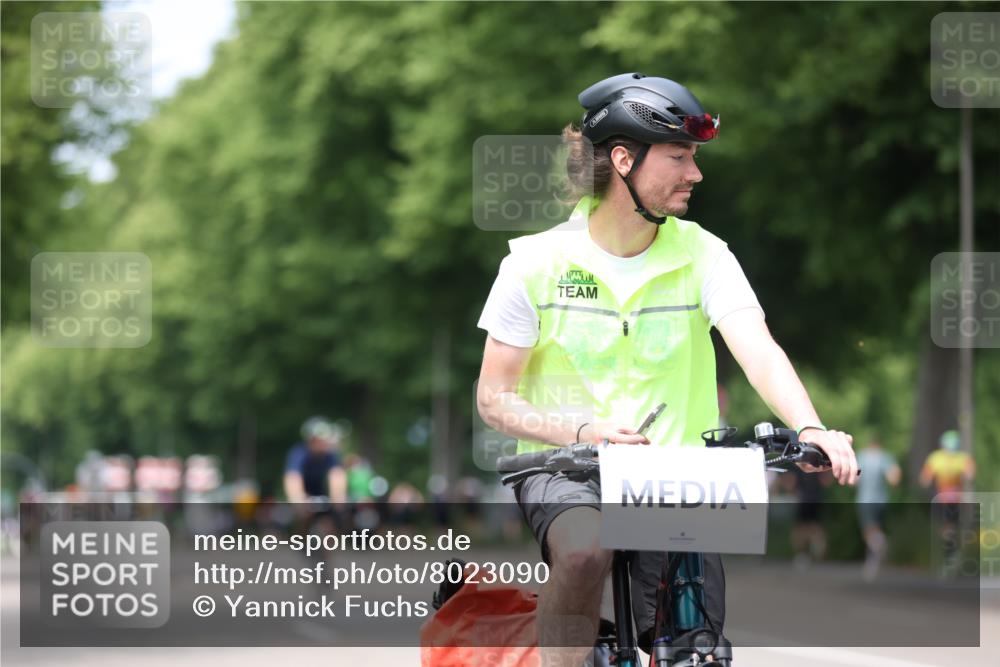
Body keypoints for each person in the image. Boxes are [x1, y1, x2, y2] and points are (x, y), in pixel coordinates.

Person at [476, 72, 860, 662]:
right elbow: (493, 399)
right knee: (581, 552)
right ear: (624, 159)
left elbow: (757, 348)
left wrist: (810, 426)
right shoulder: (533, 264)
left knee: (691, 645)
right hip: (566, 465)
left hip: (678, 472)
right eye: (680, 157)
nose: (695, 174)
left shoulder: (705, 253)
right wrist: (582, 432)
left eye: (695, 157)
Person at [920, 429, 975, 566]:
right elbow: (970, 473)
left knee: (947, 527)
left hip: (948, 498)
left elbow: (925, 478)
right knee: (948, 527)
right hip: (949, 498)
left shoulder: (938, 458)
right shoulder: (959, 458)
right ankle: (951, 551)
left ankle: (950, 552)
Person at [855, 439, 901, 580]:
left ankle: (879, 547)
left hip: (865, 499)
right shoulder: (884, 457)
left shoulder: (862, 457)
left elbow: (854, 479)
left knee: (868, 530)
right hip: (881, 500)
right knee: (876, 528)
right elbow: (894, 478)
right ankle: (874, 555)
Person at [283, 416, 348, 505]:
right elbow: (293, 478)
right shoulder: (298, 453)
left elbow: (337, 476)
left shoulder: (331, 454)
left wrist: (338, 500)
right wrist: (299, 501)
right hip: (304, 493)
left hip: (321, 492)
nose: (325, 441)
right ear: (311, 439)